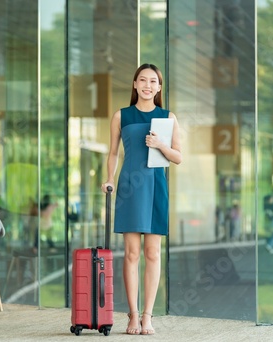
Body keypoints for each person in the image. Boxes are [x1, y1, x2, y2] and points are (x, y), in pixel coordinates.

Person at [101, 63, 182, 335]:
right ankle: (133, 315)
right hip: (130, 188)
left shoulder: (167, 117)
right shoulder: (121, 116)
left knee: (152, 253)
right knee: (132, 253)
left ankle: (148, 315)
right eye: (142, 80)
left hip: (156, 186)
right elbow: (113, 152)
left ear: (159, 87)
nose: (148, 85)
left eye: (153, 81)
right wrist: (109, 178)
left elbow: (178, 157)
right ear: (135, 84)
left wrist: (161, 145)